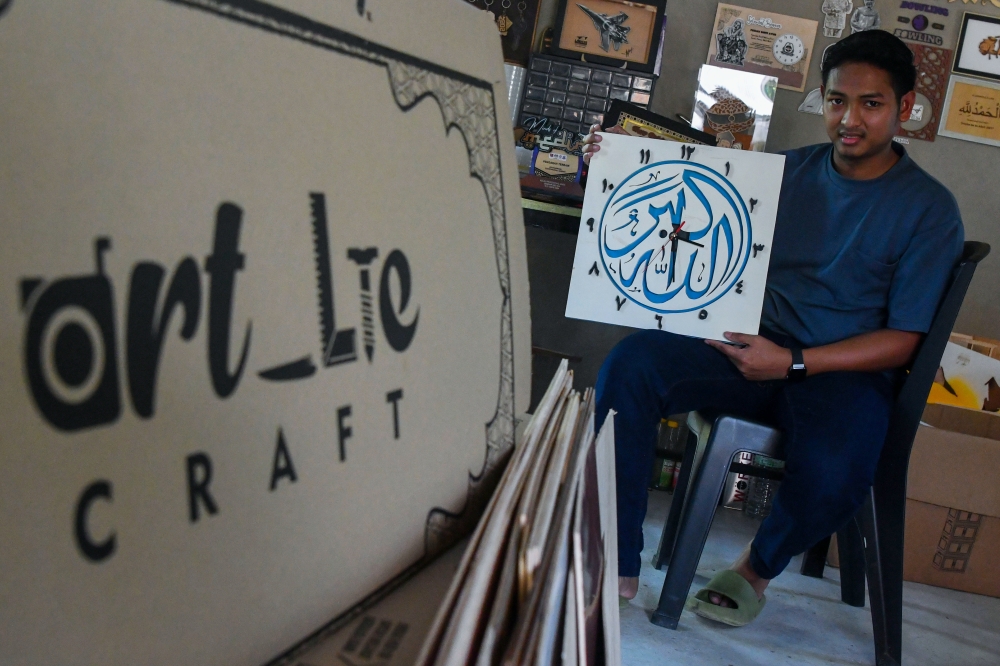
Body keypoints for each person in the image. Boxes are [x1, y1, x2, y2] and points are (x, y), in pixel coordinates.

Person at [581, 30, 964, 626]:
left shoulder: (929, 209)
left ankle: (755, 569)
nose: (850, 119)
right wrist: (607, 167)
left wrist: (795, 362)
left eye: (871, 103)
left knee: (841, 469)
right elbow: (683, 204)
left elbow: (905, 340)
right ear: (822, 100)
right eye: (838, 101)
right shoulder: (781, 173)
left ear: (904, 109)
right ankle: (618, 561)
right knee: (629, 367)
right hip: (749, 350)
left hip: (842, 374)